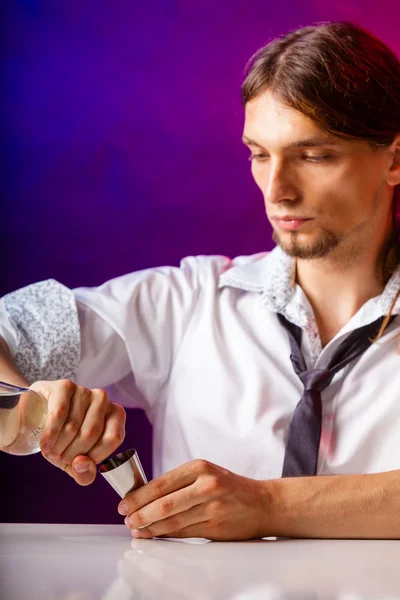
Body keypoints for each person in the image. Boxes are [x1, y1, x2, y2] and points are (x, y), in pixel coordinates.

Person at [1, 21, 400, 541]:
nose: (277, 190)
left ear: (393, 158)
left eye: (313, 156)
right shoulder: (187, 302)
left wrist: (267, 505)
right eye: (259, 154)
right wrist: (26, 410)